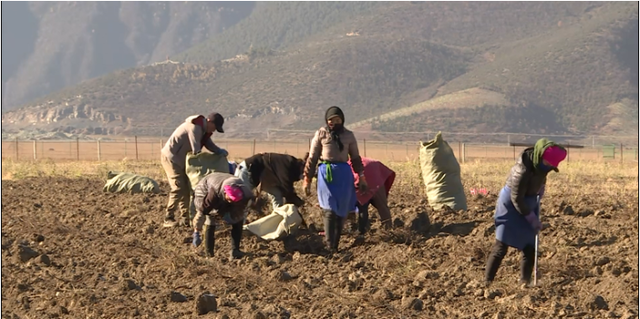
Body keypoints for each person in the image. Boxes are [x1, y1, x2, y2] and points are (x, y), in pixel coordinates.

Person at [485, 138, 567, 287]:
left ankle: (525, 282)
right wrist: (530, 217)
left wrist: (541, 187)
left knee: (530, 245)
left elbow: (542, 176)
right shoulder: (521, 169)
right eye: (548, 164)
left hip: (528, 201)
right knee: (501, 245)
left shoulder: (542, 165)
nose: (548, 167)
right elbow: (516, 198)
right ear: (540, 157)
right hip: (510, 203)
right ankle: (487, 283)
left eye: (552, 166)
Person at [303, 106, 368, 253]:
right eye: (331, 120)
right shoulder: (321, 134)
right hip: (326, 174)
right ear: (327, 120)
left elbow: (356, 158)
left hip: (344, 175)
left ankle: (335, 245)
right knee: (329, 209)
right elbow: (312, 158)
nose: (334, 123)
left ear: (342, 120)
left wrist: (362, 177)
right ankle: (329, 245)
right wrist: (307, 179)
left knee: (342, 211)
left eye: (338, 120)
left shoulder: (349, 136)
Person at [160, 113, 229, 228]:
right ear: (209, 121)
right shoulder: (195, 128)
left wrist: (218, 151)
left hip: (182, 160)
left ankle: (185, 218)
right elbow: (196, 150)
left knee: (186, 187)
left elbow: (208, 144)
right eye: (214, 127)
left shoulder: (202, 130)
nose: (214, 130)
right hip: (172, 158)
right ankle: (168, 217)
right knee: (178, 187)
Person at [191, 172, 254, 259]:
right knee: (210, 219)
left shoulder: (246, 194)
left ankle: (235, 251)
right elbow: (201, 212)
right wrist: (196, 232)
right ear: (225, 193)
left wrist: (237, 216)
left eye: (233, 201)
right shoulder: (212, 195)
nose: (231, 202)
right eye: (230, 200)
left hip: (225, 187)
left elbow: (244, 209)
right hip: (205, 189)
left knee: (238, 219)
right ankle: (209, 255)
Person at [234, 152, 309, 212]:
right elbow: (287, 188)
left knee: (277, 194)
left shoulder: (293, 167)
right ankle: (239, 227)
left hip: (264, 174)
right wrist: (298, 203)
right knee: (242, 201)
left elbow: (286, 189)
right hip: (248, 170)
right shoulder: (288, 166)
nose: (303, 179)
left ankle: (278, 219)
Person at [349, 157, 396, 234]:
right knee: (382, 206)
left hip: (362, 175)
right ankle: (389, 229)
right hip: (376, 173)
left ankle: (359, 230)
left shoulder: (343, 167)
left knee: (362, 206)